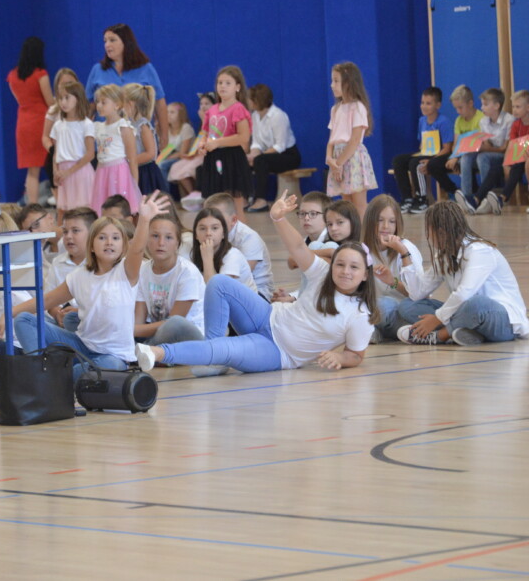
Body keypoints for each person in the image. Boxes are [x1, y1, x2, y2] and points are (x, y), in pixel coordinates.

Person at [135, 191, 376, 376]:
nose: (345, 271)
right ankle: (213, 356)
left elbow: (355, 355)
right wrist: (278, 218)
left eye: (354, 267)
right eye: (340, 264)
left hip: (277, 351)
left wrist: (340, 358)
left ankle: (158, 352)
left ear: (365, 275)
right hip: (267, 316)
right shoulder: (323, 273)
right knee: (219, 283)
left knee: (225, 348)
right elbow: (298, 247)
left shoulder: (360, 314)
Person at [4, 192, 170, 381]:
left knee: (109, 366)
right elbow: (47, 300)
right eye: (102, 238)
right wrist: (8, 314)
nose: (109, 242)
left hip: (113, 356)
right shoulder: (79, 275)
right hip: (81, 346)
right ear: (91, 245)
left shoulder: (126, 272)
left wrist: (145, 219)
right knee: (23, 320)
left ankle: (57, 378)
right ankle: (43, 371)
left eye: (116, 238)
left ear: (123, 247)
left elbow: (138, 249)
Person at [396, 201, 529, 346]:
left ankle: (438, 336)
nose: (427, 235)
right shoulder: (443, 256)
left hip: (504, 322)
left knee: (476, 303)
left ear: (441, 232)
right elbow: (417, 293)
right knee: (408, 305)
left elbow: (464, 294)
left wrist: (436, 319)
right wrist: (404, 254)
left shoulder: (479, 251)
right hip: (466, 314)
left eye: (429, 230)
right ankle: (466, 332)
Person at [85, 23, 169, 148]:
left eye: (112, 40)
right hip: (106, 142)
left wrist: (164, 136)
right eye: (105, 41)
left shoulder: (146, 69)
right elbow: (89, 107)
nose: (107, 45)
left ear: (126, 42)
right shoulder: (97, 70)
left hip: (139, 139)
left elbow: (160, 104)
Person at [361, 195, 431, 343]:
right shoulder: (362, 250)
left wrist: (392, 282)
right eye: (380, 220)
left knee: (384, 304)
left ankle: (409, 331)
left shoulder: (406, 248)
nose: (386, 226)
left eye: (392, 221)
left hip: (402, 311)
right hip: (374, 312)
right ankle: (377, 330)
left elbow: (420, 295)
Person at [135, 214, 206, 346]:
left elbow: (173, 323)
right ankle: (145, 351)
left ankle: (145, 351)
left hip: (190, 339)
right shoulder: (142, 271)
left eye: (168, 237)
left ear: (177, 244)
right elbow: (138, 322)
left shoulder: (187, 272)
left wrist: (130, 330)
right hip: (157, 336)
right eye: (155, 236)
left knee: (174, 323)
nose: (161, 243)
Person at [197, 66, 254, 220]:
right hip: (213, 158)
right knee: (214, 200)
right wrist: (202, 144)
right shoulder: (212, 110)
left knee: (235, 201)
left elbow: (243, 137)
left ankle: (241, 231)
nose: (223, 86)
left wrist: (218, 142)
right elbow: (205, 132)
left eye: (228, 83)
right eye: (220, 82)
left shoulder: (238, 109)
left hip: (232, 158)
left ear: (237, 87)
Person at [6, 36, 54, 205]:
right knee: (53, 165)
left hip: (23, 123)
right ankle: (60, 201)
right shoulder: (41, 74)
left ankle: (32, 206)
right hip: (42, 122)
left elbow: (20, 101)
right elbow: (50, 102)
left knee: (32, 170)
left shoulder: (12, 76)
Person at [325, 61, 378, 213]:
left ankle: (363, 229)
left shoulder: (358, 107)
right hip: (338, 159)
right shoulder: (335, 109)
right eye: (332, 81)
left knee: (359, 203)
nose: (332, 85)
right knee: (346, 203)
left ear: (348, 83)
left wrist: (338, 163)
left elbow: (354, 140)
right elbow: (331, 140)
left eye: (336, 81)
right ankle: (351, 228)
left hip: (353, 157)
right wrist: (330, 159)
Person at [392, 87, 452, 214]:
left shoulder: (443, 122)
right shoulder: (422, 121)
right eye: (422, 102)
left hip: (438, 155)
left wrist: (432, 160)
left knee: (416, 163)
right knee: (399, 160)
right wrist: (420, 153)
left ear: (438, 105)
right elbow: (422, 144)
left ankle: (422, 199)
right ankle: (407, 198)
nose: (424, 106)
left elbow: (447, 148)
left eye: (428, 103)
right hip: (426, 152)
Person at [204, 192, 274, 300]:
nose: (213, 221)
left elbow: (235, 280)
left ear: (233, 220)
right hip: (229, 289)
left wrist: (207, 259)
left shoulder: (248, 238)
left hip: (257, 294)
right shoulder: (207, 234)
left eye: (218, 217)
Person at [481, 90, 529, 214]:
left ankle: (502, 198)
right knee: (496, 168)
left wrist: (519, 151)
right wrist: (506, 163)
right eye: (513, 106)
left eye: (518, 107)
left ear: (528, 108)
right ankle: (478, 198)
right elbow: (511, 145)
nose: (514, 110)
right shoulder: (516, 124)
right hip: (519, 156)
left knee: (517, 166)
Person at [457, 88, 514, 214]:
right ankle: (467, 197)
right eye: (482, 104)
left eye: (485, 104)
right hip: (489, 153)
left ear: (497, 106)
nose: (482, 107)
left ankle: (486, 198)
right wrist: (476, 146)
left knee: (483, 157)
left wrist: (486, 149)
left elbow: (505, 148)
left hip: (503, 156)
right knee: (466, 157)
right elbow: (487, 143)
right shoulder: (483, 121)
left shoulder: (509, 120)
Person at [245, 84, 300, 213]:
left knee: (260, 161)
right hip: (267, 154)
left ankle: (261, 200)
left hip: (288, 155)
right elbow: (257, 143)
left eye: (250, 98)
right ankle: (246, 198)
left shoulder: (278, 116)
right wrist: (252, 155)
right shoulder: (255, 116)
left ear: (257, 100)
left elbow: (280, 146)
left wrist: (258, 156)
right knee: (246, 161)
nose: (247, 101)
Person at [427, 85, 484, 208]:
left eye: (460, 107)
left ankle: (469, 196)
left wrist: (457, 158)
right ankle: (454, 192)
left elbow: (477, 144)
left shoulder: (481, 119)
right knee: (433, 165)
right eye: (455, 108)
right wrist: (454, 157)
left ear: (470, 103)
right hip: (460, 154)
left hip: (475, 154)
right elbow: (456, 144)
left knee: (465, 160)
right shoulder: (459, 120)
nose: (458, 111)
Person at [90, 84, 140, 215]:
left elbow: (133, 159)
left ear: (117, 105)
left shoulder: (123, 126)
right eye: (98, 102)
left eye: (103, 102)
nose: (99, 105)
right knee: (102, 208)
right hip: (102, 172)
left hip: (118, 172)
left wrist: (134, 185)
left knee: (118, 210)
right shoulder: (98, 126)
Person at [45, 207, 96, 331]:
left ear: (92, 233)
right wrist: (58, 314)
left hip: (91, 323)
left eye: (75, 231)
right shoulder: (58, 262)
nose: (68, 236)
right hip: (62, 323)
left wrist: (78, 313)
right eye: (65, 231)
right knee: (25, 319)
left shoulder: (101, 263)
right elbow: (49, 301)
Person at [50, 81, 96, 214]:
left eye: (67, 97)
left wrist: (69, 171)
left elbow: (90, 154)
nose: (63, 102)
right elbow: (56, 153)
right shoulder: (58, 125)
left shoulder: (86, 124)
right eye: (60, 98)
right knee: (66, 212)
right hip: (63, 172)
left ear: (78, 98)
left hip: (80, 171)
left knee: (84, 212)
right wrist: (55, 171)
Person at [190, 208, 256, 291]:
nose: (208, 233)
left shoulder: (232, 256)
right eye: (203, 229)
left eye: (214, 228)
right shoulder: (193, 253)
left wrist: (207, 259)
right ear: (196, 235)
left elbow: (217, 291)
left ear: (223, 234)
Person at [169, 91, 216, 200]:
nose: (203, 106)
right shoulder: (168, 130)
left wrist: (204, 120)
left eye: (207, 104)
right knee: (175, 166)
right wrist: (192, 154)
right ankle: (192, 195)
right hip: (198, 154)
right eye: (201, 104)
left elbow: (212, 138)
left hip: (209, 155)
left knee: (187, 168)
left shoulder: (215, 120)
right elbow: (200, 140)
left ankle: (197, 196)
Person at [122, 83, 168, 195]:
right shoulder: (127, 124)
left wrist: (129, 161)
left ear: (130, 104)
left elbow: (150, 153)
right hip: (132, 169)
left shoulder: (143, 126)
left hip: (145, 174)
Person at [158, 102, 195, 182]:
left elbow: (183, 152)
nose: (168, 115)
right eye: (167, 112)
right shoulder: (167, 129)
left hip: (184, 158)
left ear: (180, 114)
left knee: (162, 165)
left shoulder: (186, 128)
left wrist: (166, 158)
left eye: (172, 112)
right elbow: (164, 149)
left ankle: (165, 189)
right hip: (170, 156)